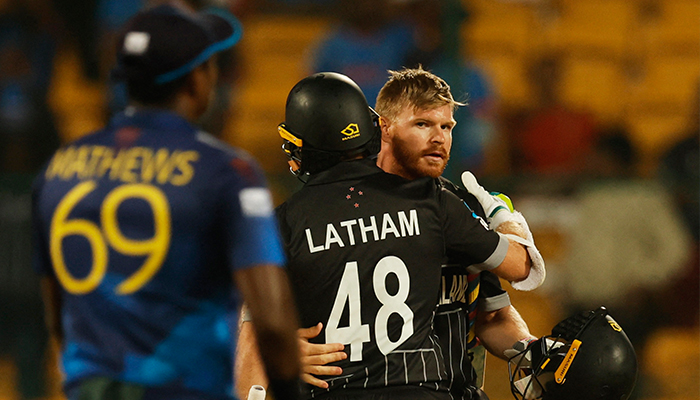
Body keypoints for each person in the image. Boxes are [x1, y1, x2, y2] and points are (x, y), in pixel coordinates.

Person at [31, 4, 301, 400]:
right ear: (195, 80)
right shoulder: (229, 174)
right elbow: (272, 321)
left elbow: (60, 312)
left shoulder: (59, 169)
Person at [237, 71, 537, 400]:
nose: (438, 138)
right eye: (422, 124)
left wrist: (534, 352)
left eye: (446, 127)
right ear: (381, 127)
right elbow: (522, 265)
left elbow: (493, 315)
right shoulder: (436, 204)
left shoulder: (287, 222)